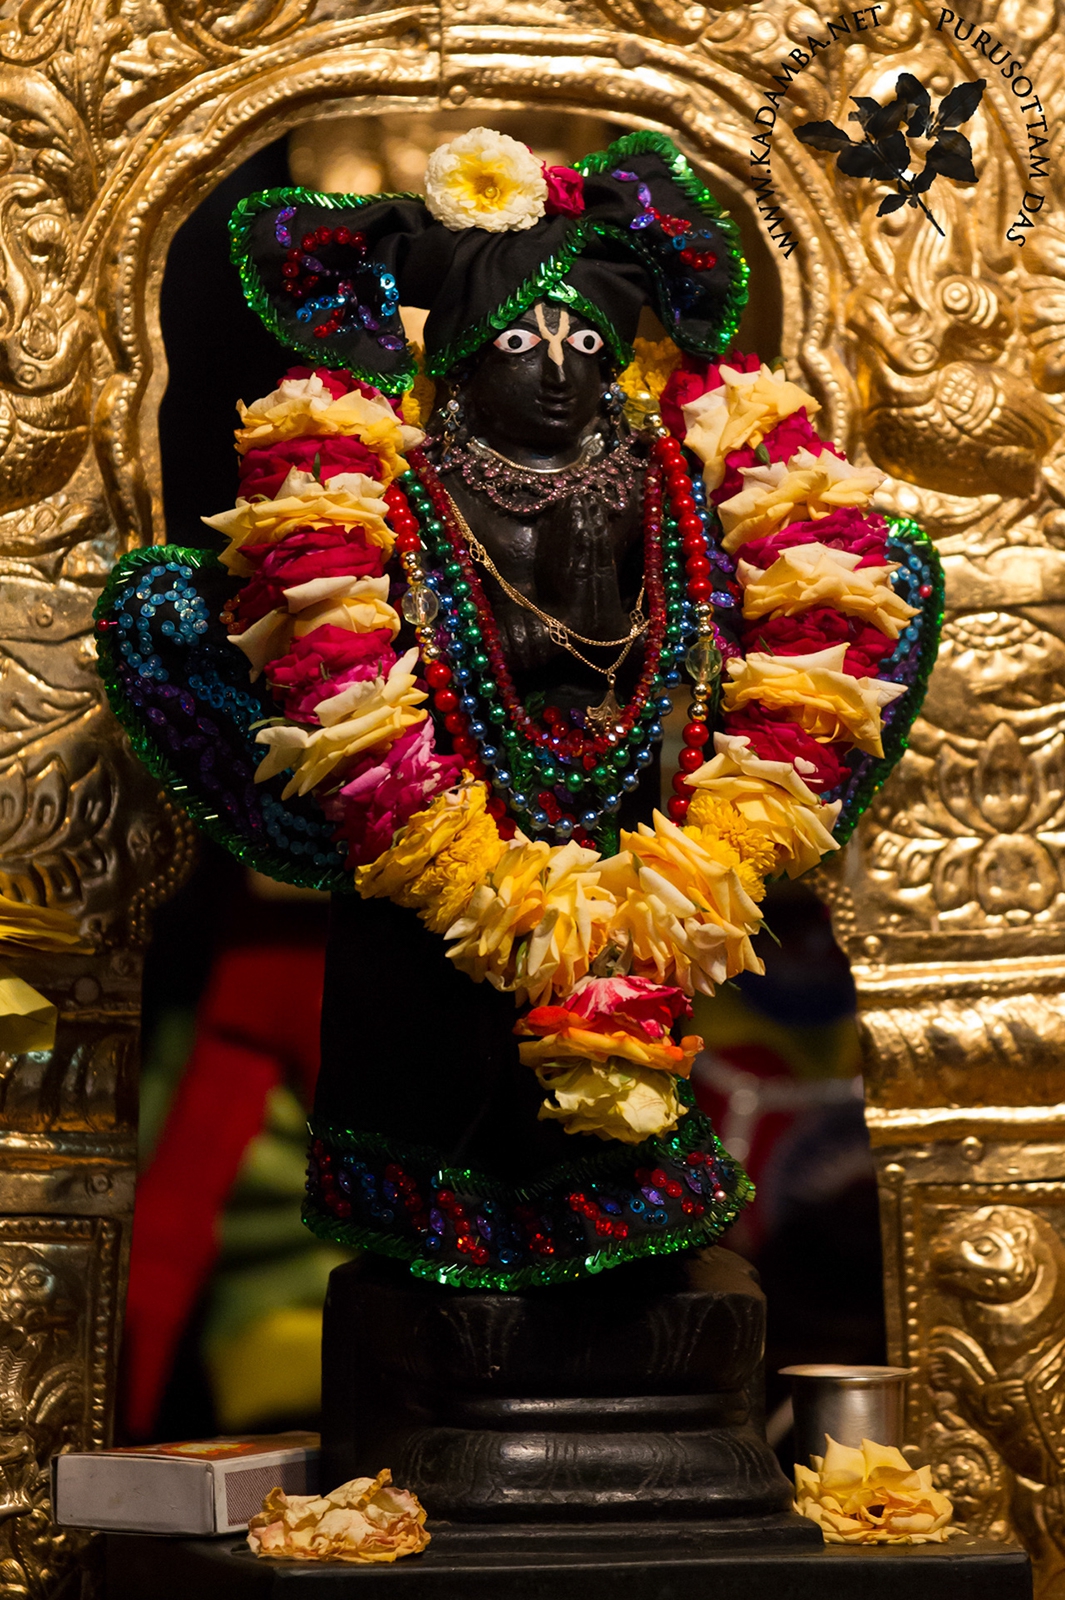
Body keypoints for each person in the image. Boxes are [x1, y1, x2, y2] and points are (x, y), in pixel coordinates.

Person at [96, 127, 940, 1293]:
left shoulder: (665, 479)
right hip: (431, 831)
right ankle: (437, 1249)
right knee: (432, 1045)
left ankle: (619, 1227)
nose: (554, 371)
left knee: (620, 1062)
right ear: (454, 362)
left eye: (584, 342)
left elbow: (798, 613)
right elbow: (318, 656)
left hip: (623, 830)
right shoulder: (391, 487)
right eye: (518, 342)